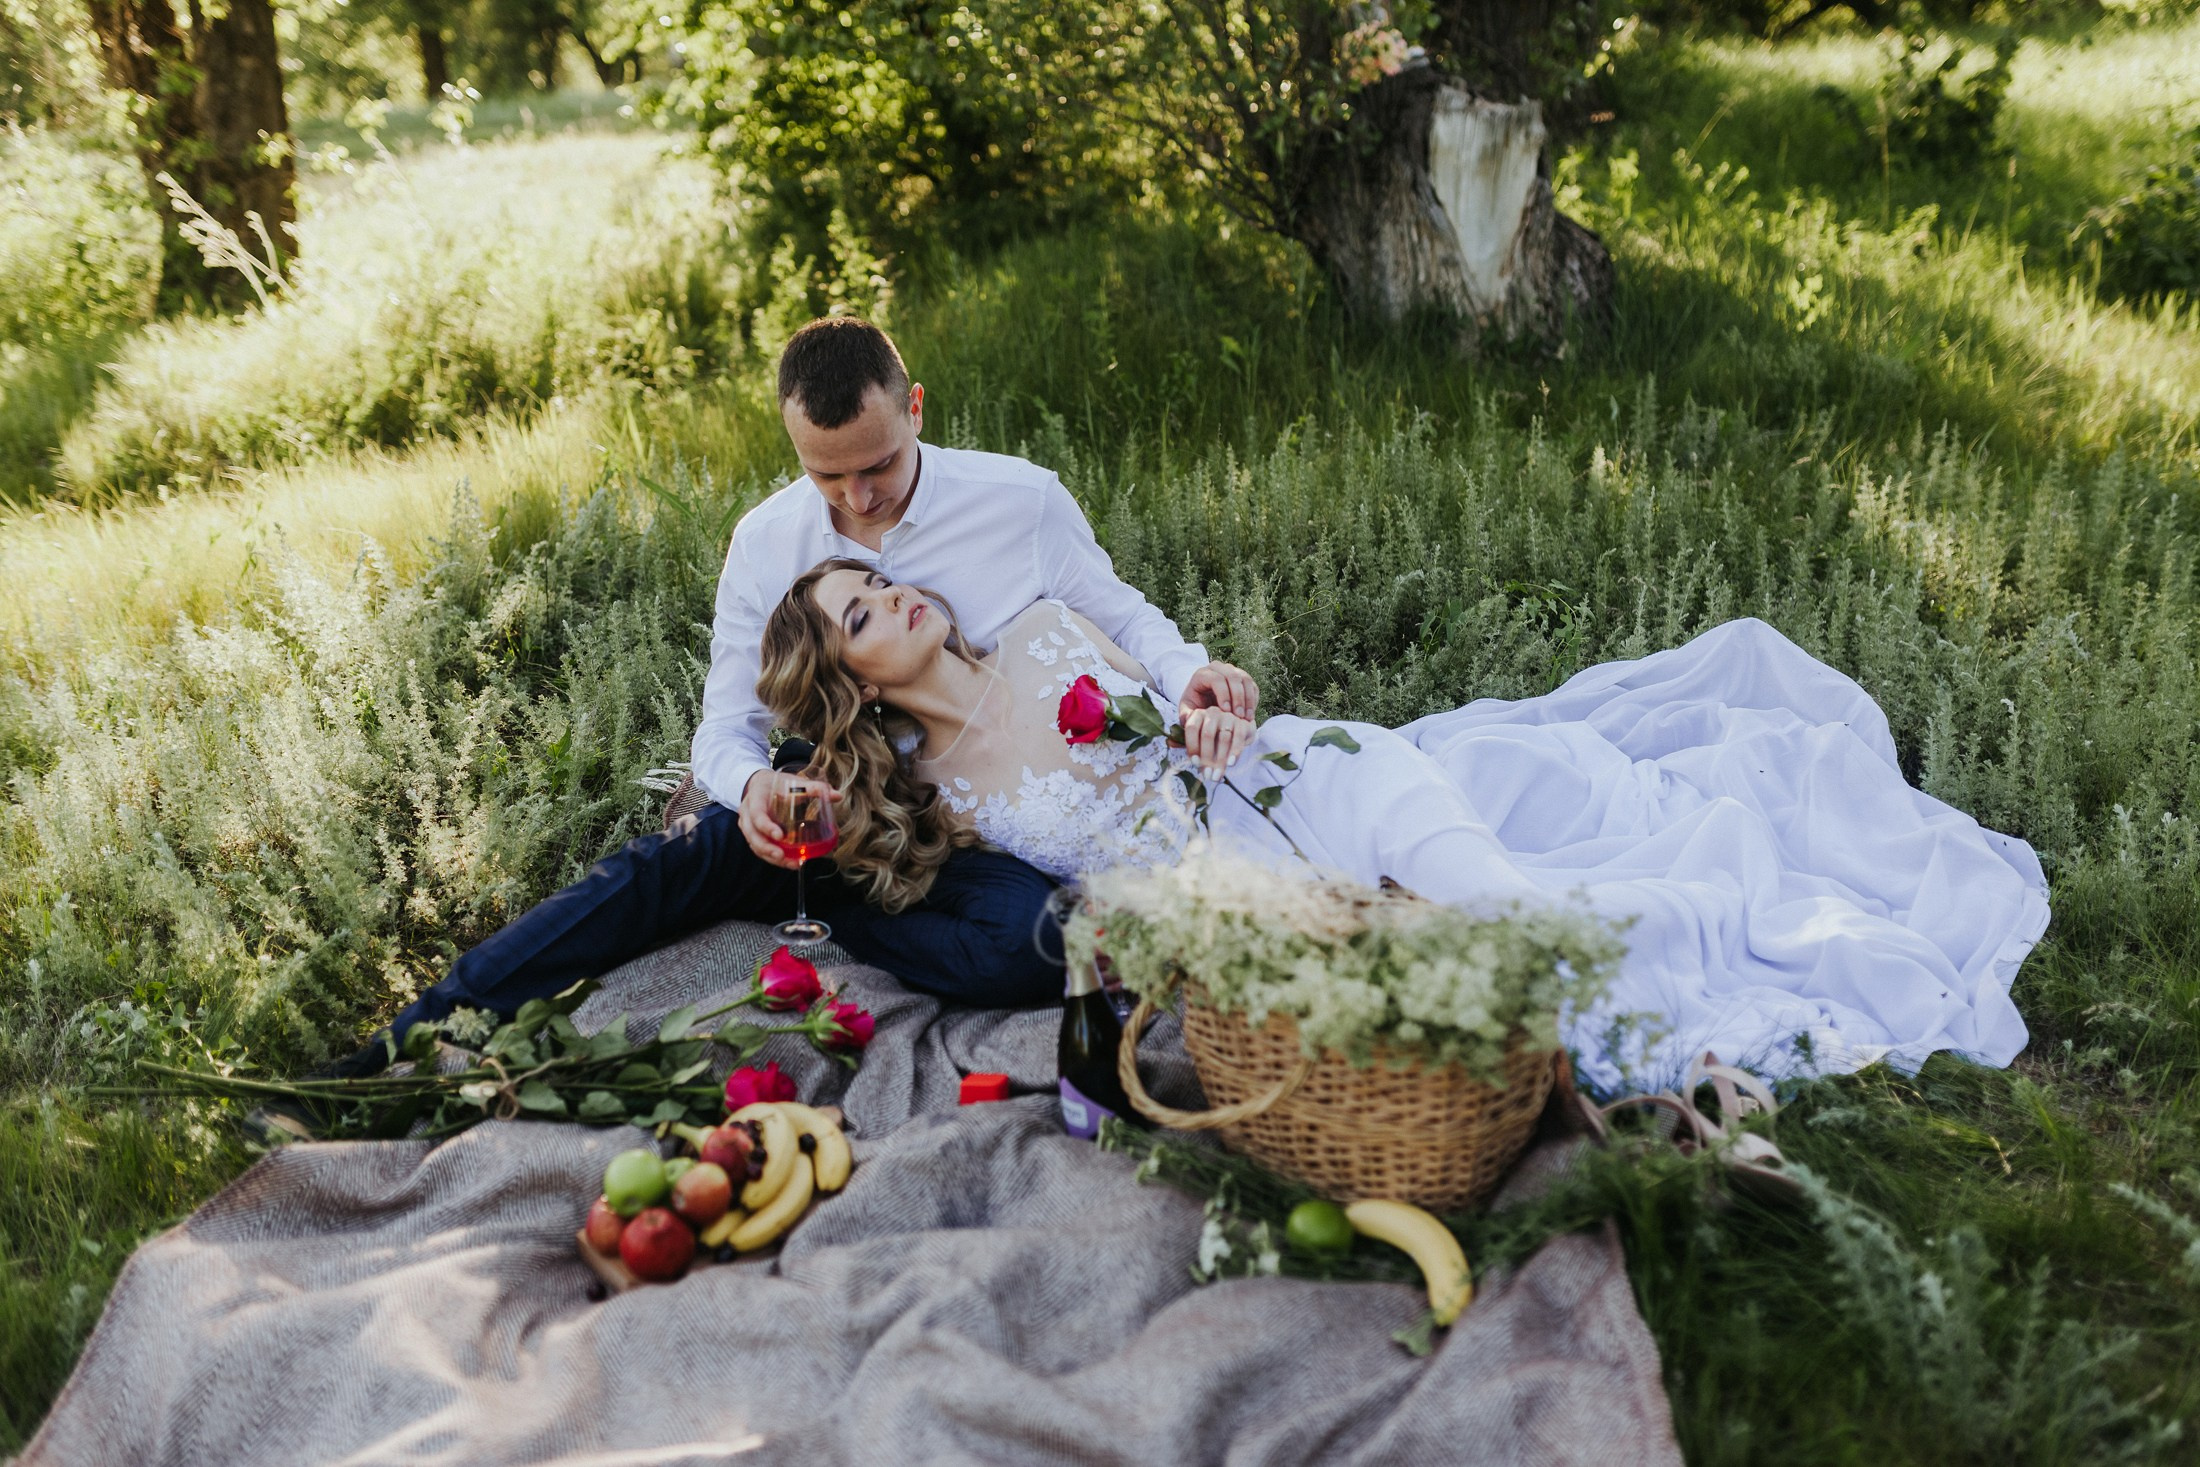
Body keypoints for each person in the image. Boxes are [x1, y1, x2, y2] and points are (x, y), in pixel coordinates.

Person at [306, 318, 1258, 1088]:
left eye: (878, 464)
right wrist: (751, 784)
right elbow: (725, 726)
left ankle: (837, 903)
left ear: (914, 407)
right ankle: (407, 1042)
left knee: (1038, 941)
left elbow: (1126, 618)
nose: (858, 496)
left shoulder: (1020, 500)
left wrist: (1192, 679)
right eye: (827, 474)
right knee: (658, 873)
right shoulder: (766, 542)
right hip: (835, 781)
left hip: (971, 819)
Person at [758, 565, 2054, 1090]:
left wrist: (1210, 714)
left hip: (1296, 781)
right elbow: (1065, 910)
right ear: (854, 677)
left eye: (880, 580)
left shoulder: (1046, 627)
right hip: (1233, 891)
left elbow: (1188, 702)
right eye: (861, 613)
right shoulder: (941, 797)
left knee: (1507, 892)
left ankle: (1724, 944)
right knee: (1452, 986)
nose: (895, 599)